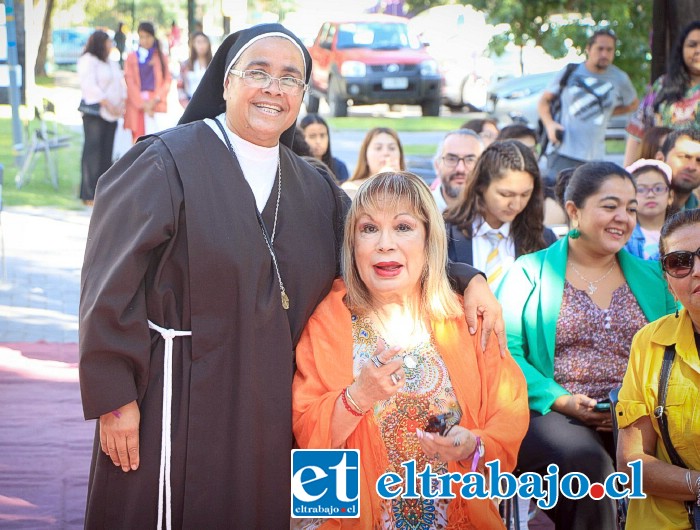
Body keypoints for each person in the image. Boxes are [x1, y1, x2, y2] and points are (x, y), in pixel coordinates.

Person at [79, 23, 504, 529]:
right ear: (226, 81)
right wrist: (114, 398)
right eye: (258, 72)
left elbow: (376, 247)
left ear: (303, 94)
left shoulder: (313, 184)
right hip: (174, 396)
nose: (273, 88)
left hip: (274, 401)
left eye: (290, 78)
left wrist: (465, 276)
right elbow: (109, 283)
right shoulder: (165, 161)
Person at [292, 171, 529, 528]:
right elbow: (306, 440)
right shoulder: (328, 318)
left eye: (403, 227)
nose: (384, 244)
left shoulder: (467, 317)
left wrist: (471, 445)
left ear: (429, 238)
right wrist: (357, 397)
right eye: (368, 229)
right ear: (352, 244)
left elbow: (508, 417)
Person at [498, 161, 676, 529]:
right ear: (573, 211)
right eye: (610, 206)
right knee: (591, 475)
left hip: (641, 414)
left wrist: (635, 407)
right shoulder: (529, 273)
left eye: (630, 208)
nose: (623, 218)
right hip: (554, 413)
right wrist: (559, 398)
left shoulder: (655, 277)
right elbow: (505, 353)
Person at [617, 208, 700, 529]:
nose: (696, 271)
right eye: (680, 262)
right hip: (668, 518)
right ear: (666, 281)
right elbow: (632, 463)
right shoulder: (650, 342)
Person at [444, 140, 557, 291]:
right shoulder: (445, 233)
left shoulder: (544, 240)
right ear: (481, 186)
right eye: (506, 194)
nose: (516, 205)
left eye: (525, 194)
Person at [538, 29, 638, 185]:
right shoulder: (570, 71)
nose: (604, 54)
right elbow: (544, 101)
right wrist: (550, 125)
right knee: (554, 200)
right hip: (563, 152)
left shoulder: (619, 78)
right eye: (600, 48)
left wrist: (607, 113)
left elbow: (633, 104)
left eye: (609, 50)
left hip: (594, 157)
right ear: (588, 49)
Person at [623, 21, 700, 166]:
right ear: (681, 50)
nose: (698, 50)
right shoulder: (663, 85)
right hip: (661, 174)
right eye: (692, 45)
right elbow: (638, 129)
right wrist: (628, 174)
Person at [77, 30, 125, 205]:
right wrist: (107, 103)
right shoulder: (88, 61)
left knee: (107, 153)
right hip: (95, 113)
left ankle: (103, 192)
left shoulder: (111, 63)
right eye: (107, 42)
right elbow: (89, 84)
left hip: (112, 114)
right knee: (93, 153)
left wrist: (120, 104)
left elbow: (120, 82)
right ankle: (88, 193)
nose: (110, 44)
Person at [124, 22, 171, 143]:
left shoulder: (161, 57)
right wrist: (143, 104)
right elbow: (130, 82)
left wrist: (155, 100)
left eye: (148, 37)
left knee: (156, 142)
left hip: (155, 105)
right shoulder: (132, 57)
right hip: (138, 106)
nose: (145, 40)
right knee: (138, 143)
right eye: (142, 37)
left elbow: (167, 80)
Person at [624, 159, 676, 260]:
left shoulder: (682, 231)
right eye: (641, 189)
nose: (650, 194)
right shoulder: (625, 237)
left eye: (658, 188)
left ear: (670, 196)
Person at [342, 127, 404, 199]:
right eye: (378, 148)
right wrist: (381, 181)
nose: (386, 153)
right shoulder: (350, 187)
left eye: (392, 148)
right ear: (365, 155)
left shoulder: (412, 187)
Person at [431, 129, 484, 212]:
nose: (460, 169)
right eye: (451, 159)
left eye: (470, 159)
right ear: (437, 166)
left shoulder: (493, 212)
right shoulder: (419, 210)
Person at [299, 113, 349, 182]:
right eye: (312, 136)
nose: (318, 141)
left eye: (322, 135)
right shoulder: (297, 167)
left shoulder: (339, 167)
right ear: (301, 138)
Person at [659, 128, 700, 211]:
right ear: (660, 159)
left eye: (699, 161)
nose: (691, 167)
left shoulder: (697, 214)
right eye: (683, 157)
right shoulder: (633, 205)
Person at [177, 31, 212, 108]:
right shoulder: (185, 65)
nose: (202, 45)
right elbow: (180, 86)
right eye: (198, 42)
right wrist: (185, 104)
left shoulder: (213, 63)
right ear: (193, 44)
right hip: (190, 102)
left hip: (209, 103)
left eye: (204, 42)